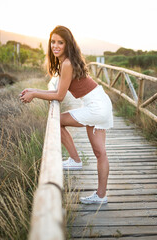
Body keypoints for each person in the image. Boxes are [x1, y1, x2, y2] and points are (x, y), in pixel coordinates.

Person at [20, 25, 113, 204]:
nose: (55, 46)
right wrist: (32, 89)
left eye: (60, 42)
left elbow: (59, 96)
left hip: (95, 106)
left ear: (67, 44)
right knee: (100, 153)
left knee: (57, 121)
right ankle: (101, 196)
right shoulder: (68, 62)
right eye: (53, 42)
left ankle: (75, 160)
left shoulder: (68, 63)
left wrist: (34, 95)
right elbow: (57, 91)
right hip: (101, 102)